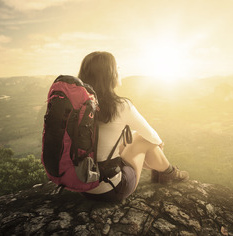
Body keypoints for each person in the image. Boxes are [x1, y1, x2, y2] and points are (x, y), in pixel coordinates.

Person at [78, 51, 189, 202]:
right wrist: (158, 145)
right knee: (144, 139)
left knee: (132, 138)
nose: (119, 71)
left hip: (83, 186)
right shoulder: (120, 105)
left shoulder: (78, 106)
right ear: (109, 74)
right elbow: (151, 136)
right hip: (110, 189)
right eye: (117, 68)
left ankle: (163, 171)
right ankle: (170, 172)